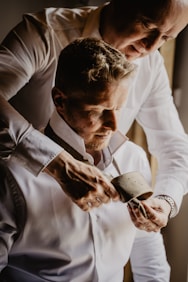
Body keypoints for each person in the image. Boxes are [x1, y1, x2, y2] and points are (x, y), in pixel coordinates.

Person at [0, 0, 188, 231]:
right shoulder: (45, 31)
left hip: (86, 223)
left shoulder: (151, 65)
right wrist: (55, 161)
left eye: (166, 38)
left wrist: (167, 201)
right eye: (147, 26)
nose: (151, 47)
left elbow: (174, 146)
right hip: (11, 202)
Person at [0, 37, 170, 282]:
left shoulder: (134, 157)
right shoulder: (12, 174)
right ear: (60, 101)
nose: (113, 125)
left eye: (119, 108)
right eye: (98, 111)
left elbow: (146, 246)